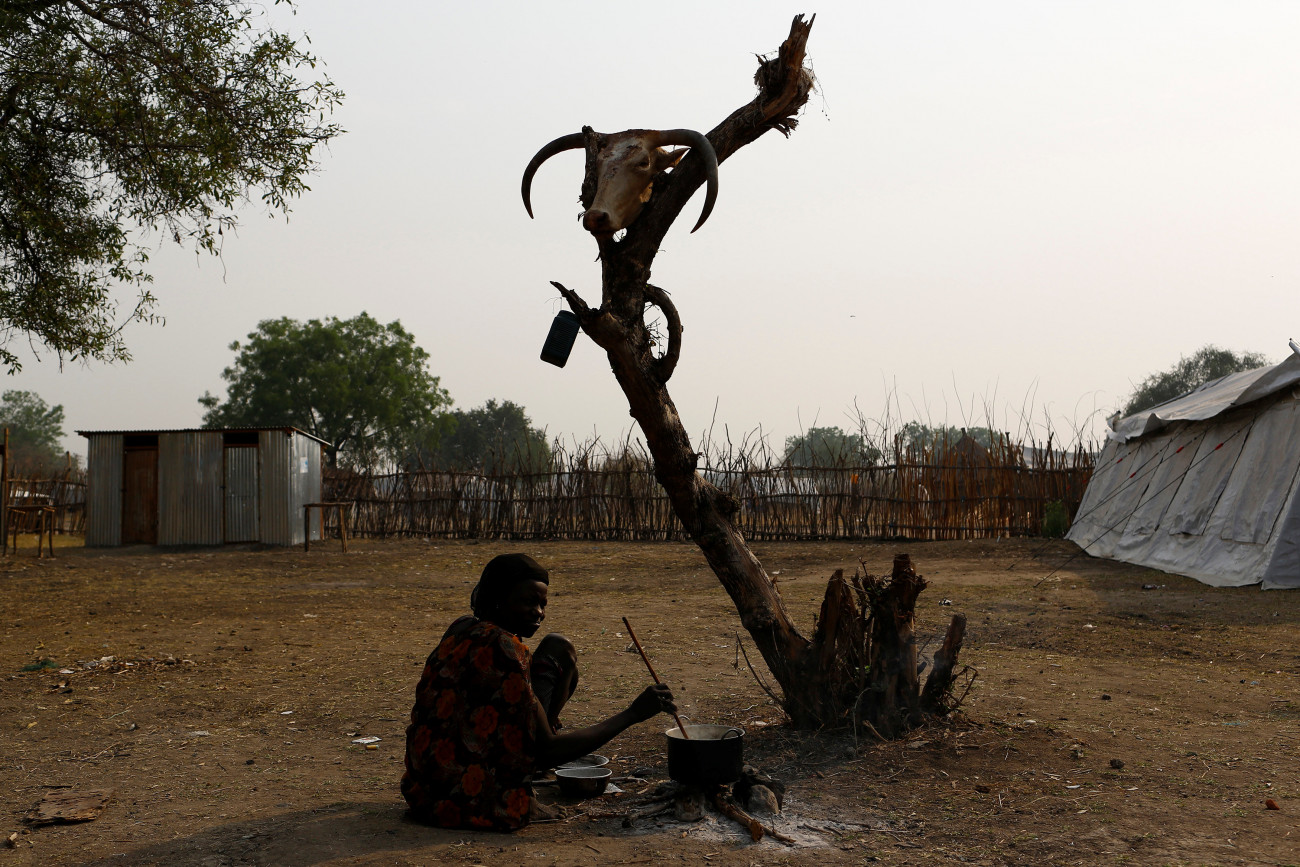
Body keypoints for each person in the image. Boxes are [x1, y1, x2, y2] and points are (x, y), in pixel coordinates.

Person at [401, 553, 676, 831]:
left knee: (559, 649)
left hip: (423, 786)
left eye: (543, 604)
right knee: (542, 744)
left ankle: (537, 736)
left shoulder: (462, 627)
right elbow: (548, 752)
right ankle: (521, 792)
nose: (539, 613)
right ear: (499, 598)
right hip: (461, 797)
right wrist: (633, 713)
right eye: (528, 602)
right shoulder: (504, 648)